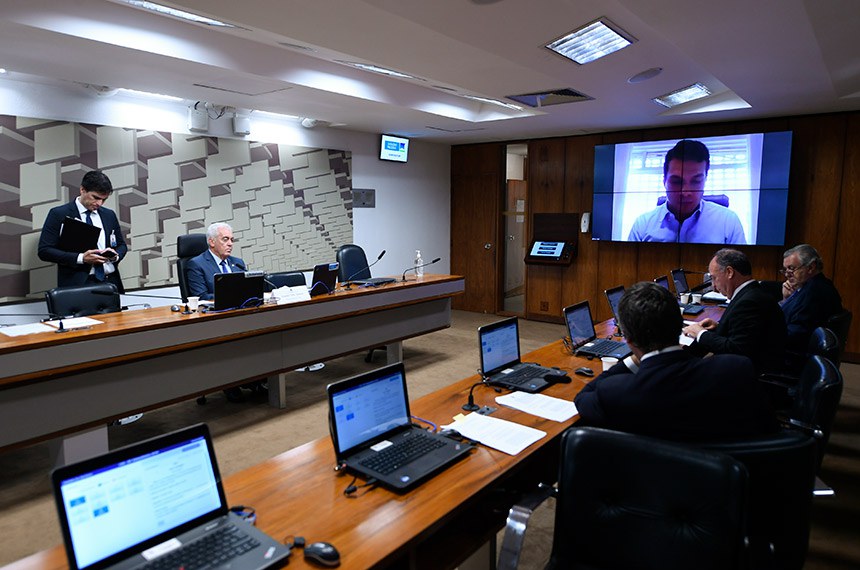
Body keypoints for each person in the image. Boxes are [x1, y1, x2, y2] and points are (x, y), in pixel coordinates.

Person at [574, 281, 776, 441]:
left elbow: (582, 398)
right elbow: (767, 430)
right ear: (680, 325)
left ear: (627, 338)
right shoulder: (735, 369)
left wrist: (633, 361)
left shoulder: (615, 392)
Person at [683, 248, 786, 373]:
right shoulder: (751, 293)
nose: (714, 286)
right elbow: (747, 335)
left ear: (729, 272)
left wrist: (700, 334)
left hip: (752, 377)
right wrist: (719, 327)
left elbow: (737, 350)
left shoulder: (749, 302)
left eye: (714, 278)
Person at [628, 139, 746, 244]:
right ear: (664, 181)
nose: (686, 192)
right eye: (677, 182)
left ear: (705, 180)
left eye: (696, 181)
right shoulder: (642, 225)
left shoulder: (728, 221)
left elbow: (738, 268)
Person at [37, 170, 127, 292]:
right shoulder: (59, 214)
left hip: (111, 281)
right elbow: (44, 251)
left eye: (104, 200)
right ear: (82, 190)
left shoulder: (109, 215)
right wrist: (81, 258)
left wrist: (115, 255)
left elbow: (121, 245)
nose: (99, 203)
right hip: (77, 285)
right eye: (95, 198)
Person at [779, 244, 843, 356]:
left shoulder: (814, 292)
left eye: (792, 269)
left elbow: (797, 334)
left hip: (793, 356)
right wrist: (786, 299)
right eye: (785, 270)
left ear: (811, 267)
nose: (787, 274)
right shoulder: (812, 286)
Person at [186, 222, 246, 300]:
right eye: (225, 239)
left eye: (232, 240)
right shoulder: (197, 264)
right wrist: (231, 296)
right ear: (212, 242)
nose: (230, 244)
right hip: (215, 310)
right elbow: (201, 296)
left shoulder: (238, 263)